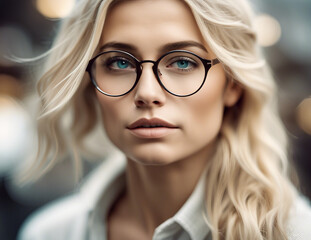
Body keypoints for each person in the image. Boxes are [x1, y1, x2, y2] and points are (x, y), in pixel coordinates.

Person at [17, 0, 311, 239]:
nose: (147, 93)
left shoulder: (292, 233)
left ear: (233, 84)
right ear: (90, 85)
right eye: (119, 62)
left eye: (183, 62)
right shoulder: (49, 233)